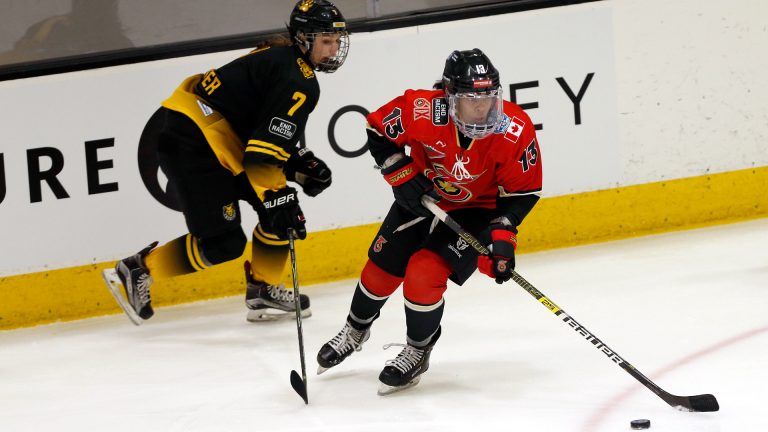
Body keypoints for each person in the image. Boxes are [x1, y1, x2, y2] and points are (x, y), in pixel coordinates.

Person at [101, 0, 349, 325]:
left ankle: (264, 288)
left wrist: (294, 164)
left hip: (209, 138)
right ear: (303, 38)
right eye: (325, 41)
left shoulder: (278, 58)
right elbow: (261, 155)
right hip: (194, 146)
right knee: (225, 242)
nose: (332, 50)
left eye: (336, 41)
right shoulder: (299, 81)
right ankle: (139, 268)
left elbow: (256, 131)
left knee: (277, 216)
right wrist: (278, 193)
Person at [316, 48, 543, 395]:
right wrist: (401, 174)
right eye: (471, 99)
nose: (483, 107)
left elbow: (522, 193)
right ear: (450, 96)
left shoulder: (514, 129)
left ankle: (418, 350)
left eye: (489, 97)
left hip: (477, 209)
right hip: (422, 195)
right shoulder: (423, 109)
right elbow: (377, 129)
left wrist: (502, 237)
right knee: (380, 270)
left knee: (423, 272)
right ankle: (355, 329)